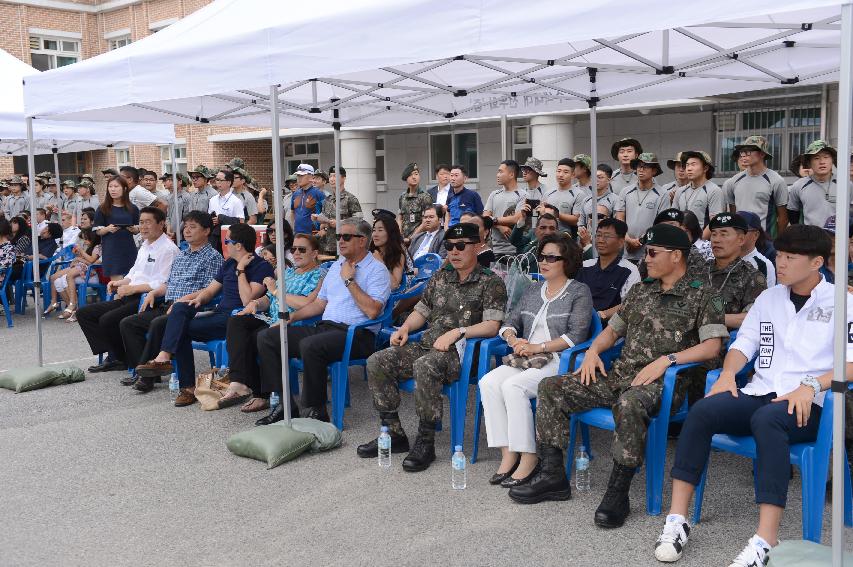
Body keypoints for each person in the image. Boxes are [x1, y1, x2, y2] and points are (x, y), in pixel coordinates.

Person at [508, 224, 728, 532]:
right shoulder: (641, 291)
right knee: (552, 387)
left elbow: (712, 346)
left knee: (629, 404)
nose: (645, 259)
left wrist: (668, 360)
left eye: (652, 253)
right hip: (620, 374)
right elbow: (612, 332)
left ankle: (618, 491)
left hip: (664, 383)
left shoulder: (704, 295)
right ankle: (553, 475)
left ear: (677, 256)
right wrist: (595, 351)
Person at [652, 224, 848, 567]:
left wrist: (813, 384)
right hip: (762, 390)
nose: (781, 263)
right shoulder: (769, 298)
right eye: (780, 255)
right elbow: (744, 344)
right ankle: (676, 519)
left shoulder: (843, 302)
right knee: (703, 411)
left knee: (767, 419)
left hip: (811, 404)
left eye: (790, 257)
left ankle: (766, 539)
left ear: (817, 262)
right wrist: (728, 372)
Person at [357, 222, 507, 471]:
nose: (454, 252)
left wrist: (458, 332)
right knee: (378, 361)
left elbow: (492, 325)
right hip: (429, 344)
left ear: (478, 246)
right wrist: (405, 328)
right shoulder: (441, 277)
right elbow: (421, 311)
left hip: (462, 353)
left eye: (461, 246)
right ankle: (393, 433)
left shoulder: (490, 282)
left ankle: (425, 441)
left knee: (425, 365)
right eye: (449, 246)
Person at [480, 234, 592, 486]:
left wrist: (537, 346)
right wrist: (512, 339)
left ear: (567, 261)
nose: (544, 261)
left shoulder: (578, 291)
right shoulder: (532, 289)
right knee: (488, 382)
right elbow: (510, 321)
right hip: (527, 357)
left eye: (552, 257)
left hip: (559, 359)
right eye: (542, 256)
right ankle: (508, 453)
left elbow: (576, 335)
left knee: (513, 387)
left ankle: (529, 457)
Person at [255, 218, 391, 425]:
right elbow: (319, 305)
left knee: (310, 345)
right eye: (338, 237)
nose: (340, 241)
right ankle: (284, 405)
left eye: (346, 237)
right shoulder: (337, 265)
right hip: (326, 328)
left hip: (357, 335)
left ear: (363, 241)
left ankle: (316, 410)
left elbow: (373, 311)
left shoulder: (377, 270)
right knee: (269, 337)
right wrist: (291, 317)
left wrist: (349, 281)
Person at [133, 222, 271, 400]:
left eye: (227, 240)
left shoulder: (261, 266)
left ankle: (184, 384)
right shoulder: (228, 264)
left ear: (238, 245)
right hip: (218, 314)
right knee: (180, 310)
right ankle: (170, 364)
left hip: (238, 318)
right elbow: (210, 291)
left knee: (179, 329)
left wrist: (241, 270)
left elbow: (247, 300)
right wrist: (196, 299)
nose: (224, 244)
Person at [118, 211, 224, 392]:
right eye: (186, 227)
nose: (187, 231)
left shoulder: (213, 257)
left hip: (192, 308)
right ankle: (146, 370)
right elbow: (169, 284)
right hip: (168, 305)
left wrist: (182, 301)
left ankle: (146, 378)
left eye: (193, 227)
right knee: (129, 323)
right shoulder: (182, 255)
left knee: (158, 324)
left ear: (207, 231)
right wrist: (154, 292)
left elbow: (209, 289)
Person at [220, 233, 324, 413]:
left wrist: (276, 291)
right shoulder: (289, 272)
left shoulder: (319, 275)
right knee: (237, 322)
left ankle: (262, 395)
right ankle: (240, 382)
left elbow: (306, 303)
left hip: (295, 323)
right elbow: (268, 299)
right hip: (271, 319)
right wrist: (255, 304)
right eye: (293, 249)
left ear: (314, 253)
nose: (296, 253)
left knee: (255, 338)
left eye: (302, 249)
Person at [79, 207, 178, 374]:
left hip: (149, 299)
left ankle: (129, 362)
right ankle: (117, 355)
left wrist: (132, 288)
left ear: (161, 224)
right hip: (132, 294)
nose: (144, 226)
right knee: (85, 313)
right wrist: (119, 283)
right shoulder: (145, 245)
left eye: (148, 222)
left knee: (108, 320)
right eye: (141, 222)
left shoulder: (168, 249)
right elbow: (134, 273)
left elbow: (163, 283)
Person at [704, 213, 767, 329]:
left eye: (724, 234)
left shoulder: (752, 277)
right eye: (713, 234)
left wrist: (707, 317)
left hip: (726, 343)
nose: (716, 240)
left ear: (741, 240)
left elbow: (753, 317)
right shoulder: (699, 269)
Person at [722, 136, 788, 237]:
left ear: (762, 153)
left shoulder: (776, 181)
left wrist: (778, 242)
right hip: (740, 239)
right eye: (742, 152)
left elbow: (783, 217)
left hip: (766, 240)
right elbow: (733, 213)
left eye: (748, 152)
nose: (743, 155)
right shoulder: (734, 181)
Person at [576, 218, 640, 322]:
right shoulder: (585, 266)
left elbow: (630, 304)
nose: (601, 240)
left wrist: (600, 315)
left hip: (609, 327)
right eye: (599, 235)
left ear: (620, 242)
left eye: (607, 236)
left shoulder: (629, 270)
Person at [44, 228, 101, 322]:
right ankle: (68, 307)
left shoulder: (98, 247)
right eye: (84, 239)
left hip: (90, 273)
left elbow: (91, 261)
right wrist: (78, 257)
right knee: (56, 279)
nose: (85, 241)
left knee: (67, 276)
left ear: (93, 238)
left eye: (86, 239)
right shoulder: (90, 246)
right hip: (82, 268)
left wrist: (80, 256)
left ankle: (73, 304)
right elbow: (85, 259)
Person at [621, 153, 668, 262]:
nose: (641, 169)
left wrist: (641, 240)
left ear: (654, 171)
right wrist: (628, 239)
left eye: (645, 167)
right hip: (627, 250)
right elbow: (619, 218)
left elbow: (662, 224)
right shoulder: (625, 191)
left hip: (650, 251)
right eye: (639, 166)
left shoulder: (662, 194)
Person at [94, 176, 141, 280]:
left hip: (129, 248)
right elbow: (97, 231)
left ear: (124, 189)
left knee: (132, 280)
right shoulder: (103, 208)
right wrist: (107, 229)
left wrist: (135, 229)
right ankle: (117, 297)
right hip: (111, 249)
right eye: (110, 186)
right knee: (117, 283)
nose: (112, 189)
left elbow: (138, 228)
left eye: (116, 186)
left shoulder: (133, 208)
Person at [787, 140, 841, 229]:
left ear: (832, 160)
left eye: (826, 157)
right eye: (816, 158)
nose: (822, 162)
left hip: (839, 239)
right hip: (811, 239)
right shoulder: (799, 185)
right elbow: (793, 212)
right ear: (809, 163)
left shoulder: (845, 185)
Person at [315, 166, 363, 255]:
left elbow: (359, 220)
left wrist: (340, 223)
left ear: (343, 178)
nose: (332, 179)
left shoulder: (350, 199)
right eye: (330, 176)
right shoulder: (327, 200)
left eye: (335, 176)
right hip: (328, 246)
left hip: (345, 244)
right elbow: (324, 221)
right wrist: (319, 219)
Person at [485, 160, 526, 260]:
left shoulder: (523, 195)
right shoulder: (494, 194)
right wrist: (499, 226)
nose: (497, 175)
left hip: (515, 250)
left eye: (501, 172)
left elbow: (516, 218)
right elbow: (485, 217)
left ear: (511, 174)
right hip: (494, 249)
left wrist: (492, 220)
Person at [672, 151, 723, 229]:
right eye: (687, 165)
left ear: (705, 168)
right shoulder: (680, 191)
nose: (689, 169)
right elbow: (673, 218)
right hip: (680, 239)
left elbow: (715, 222)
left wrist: (698, 240)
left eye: (693, 164)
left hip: (703, 239)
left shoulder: (714, 190)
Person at [575, 164, 625, 230]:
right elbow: (581, 224)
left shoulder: (616, 200)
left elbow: (619, 224)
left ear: (609, 180)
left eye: (600, 177)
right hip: (589, 238)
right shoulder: (586, 200)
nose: (596, 180)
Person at [545, 157, 586, 234]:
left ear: (573, 175)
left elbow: (577, 220)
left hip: (568, 239)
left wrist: (555, 214)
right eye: (558, 171)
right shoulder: (548, 193)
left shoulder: (579, 194)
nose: (561, 175)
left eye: (565, 172)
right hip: (548, 235)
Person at [370, 214, 409, 291]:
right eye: (374, 230)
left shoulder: (398, 255)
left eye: (380, 230)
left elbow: (394, 285)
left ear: (391, 233)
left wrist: (380, 262)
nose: (375, 234)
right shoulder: (368, 252)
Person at [398, 163, 433, 243]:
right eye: (411, 175)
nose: (414, 177)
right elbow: (400, 218)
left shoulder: (425, 197)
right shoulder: (402, 197)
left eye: (416, 174)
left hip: (420, 239)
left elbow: (426, 221)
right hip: (403, 240)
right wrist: (399, 235)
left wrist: (411, 238)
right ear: (406, 178)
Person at [290, 163, 325, 235]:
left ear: (311, 177)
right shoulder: (295, 194)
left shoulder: (318, 194)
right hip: (297, 234)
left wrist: (322, 230)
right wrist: (294, 227)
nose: (298, 178)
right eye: (298, 175)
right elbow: (292, 212)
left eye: (302, 175)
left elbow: (327, 213)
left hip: (314, 234)